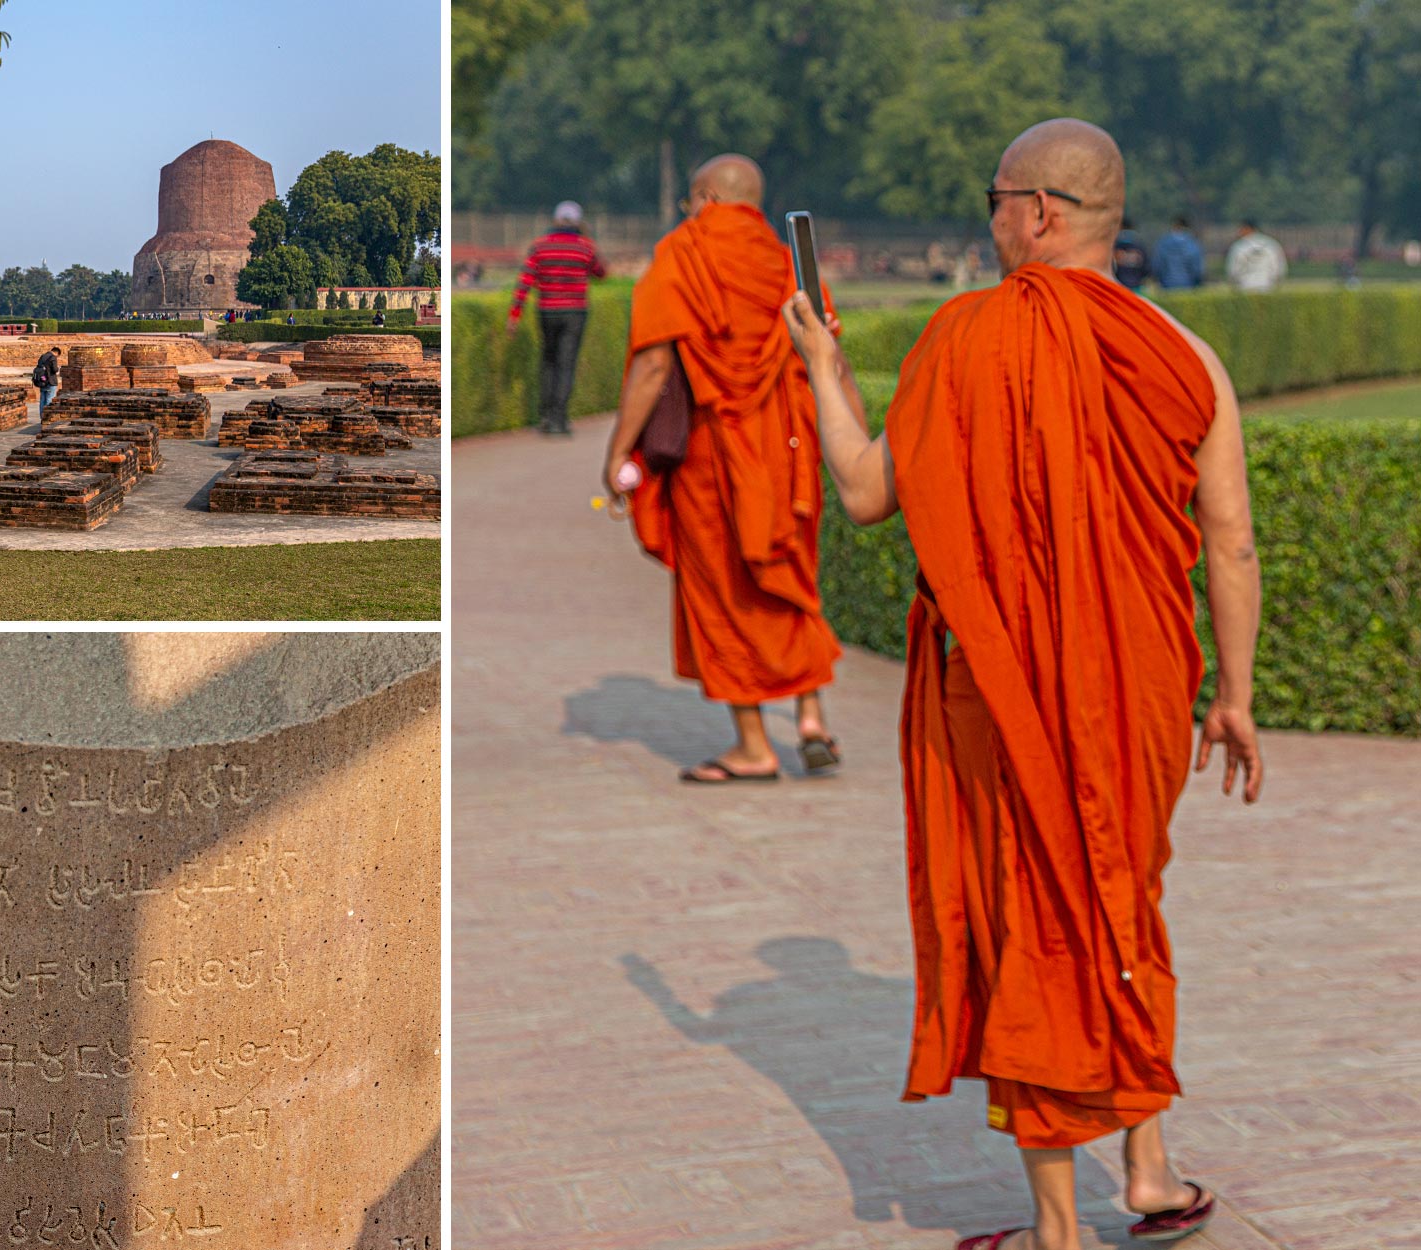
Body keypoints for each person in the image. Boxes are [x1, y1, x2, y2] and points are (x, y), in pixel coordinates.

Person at [780, 118, 1263, 1250]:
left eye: (994, 196)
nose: (988, 216)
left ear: (1038, 211)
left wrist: (819, 363)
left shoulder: (963, 338)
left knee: (1038, 917)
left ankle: (1059, 1229)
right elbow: (1229, 542)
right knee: (1117, 892)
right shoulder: (1185, 353)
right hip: (1141, 686)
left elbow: (861, 490)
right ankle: (1147, 1173)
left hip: (998, 693)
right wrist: (1233, 695)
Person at [601, 154, 844, 783]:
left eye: (690, 201)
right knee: (789, 575)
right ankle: (812, 716)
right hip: (790, 451)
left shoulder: (685, 251)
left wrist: (617, 451)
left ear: (705, 197)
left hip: (720, 453)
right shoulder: (786, 256)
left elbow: (654, 364)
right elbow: (826, 351)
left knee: (725, 591)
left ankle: (755, 747)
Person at [508, 200, 607, 436]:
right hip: (575, 311)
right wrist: (587, 238)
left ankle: (546, 416)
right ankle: (559, 419)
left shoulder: (541, 246)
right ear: (578, 222)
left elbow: (526, 280)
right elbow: (601, 272)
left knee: (549, 361)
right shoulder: (585, 246)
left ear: (555, 220)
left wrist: (515, 314)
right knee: (566, 364)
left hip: (548, 310)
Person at [1226, 220, 1287, 293]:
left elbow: (1233, 269)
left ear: (1247, 228)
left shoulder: (1239, 246)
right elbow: (1279, 267)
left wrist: (1233, 284)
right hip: (1267, 285)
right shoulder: (1271, 243)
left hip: (1244, 286)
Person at [1150, 215, 1204, 289]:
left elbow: (1158, 265)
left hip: (1167, 285)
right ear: (1187, 227)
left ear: (1174, 226)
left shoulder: (1163, 243)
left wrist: (1160, 280)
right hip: (1189, 286)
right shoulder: (1193, 244)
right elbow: (1197, 270)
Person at [1112, 216, 1149, 290]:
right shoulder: (1139, 244)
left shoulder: (1114, 244)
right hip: (1136, 286)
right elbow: (1147, 268)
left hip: (1118, 286)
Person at [32, 344, 62, 415]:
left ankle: (42, 417)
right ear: (57, 353)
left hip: (42, 381)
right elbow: (54, 369)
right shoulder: (53, 357)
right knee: (49, 400)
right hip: (50, 381)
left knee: (42, 400)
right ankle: (47, 417)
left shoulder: (42, 356)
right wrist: (57, 368)